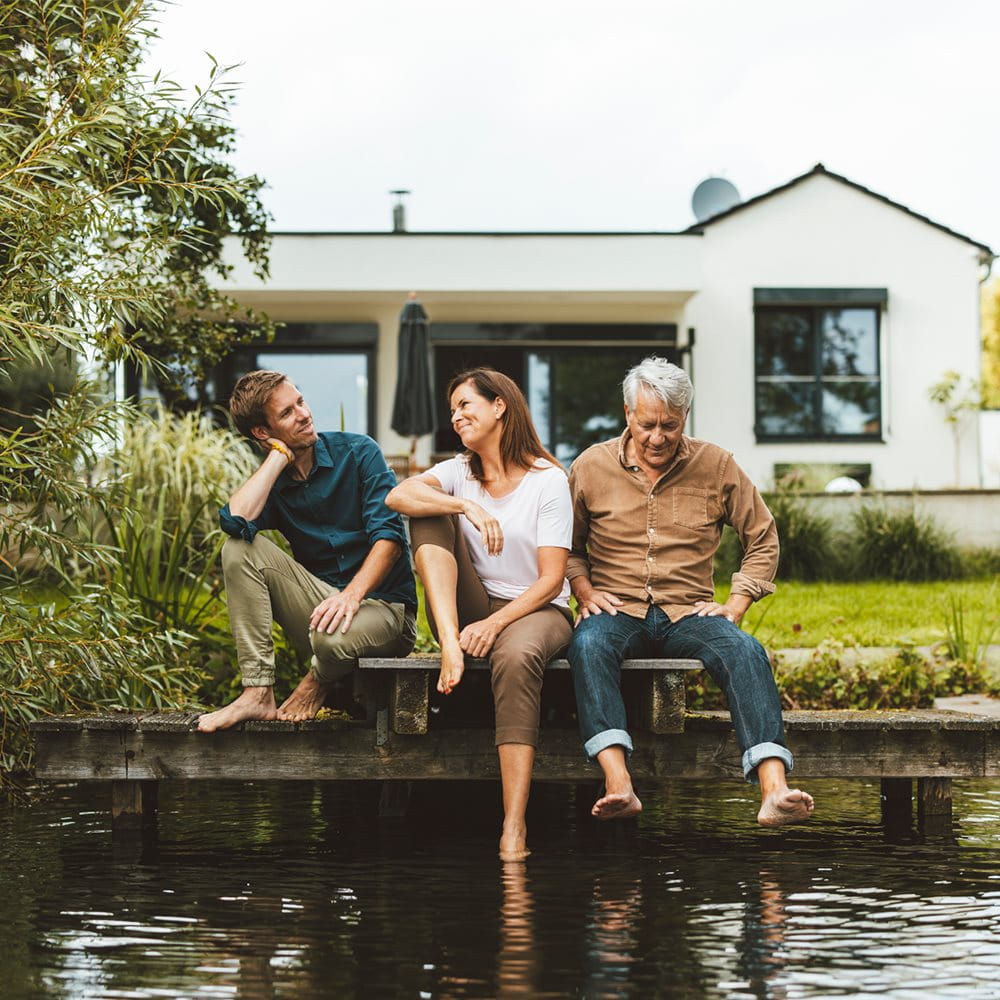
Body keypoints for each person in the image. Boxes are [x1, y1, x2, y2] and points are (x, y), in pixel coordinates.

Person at [566, 357, 814, 827]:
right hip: (616, 608)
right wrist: (583, 589)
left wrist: (737, 601)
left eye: (670, 425)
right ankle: (619, 782)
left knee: (744, 650)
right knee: (588, 644)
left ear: (685, 419)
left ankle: (774, 789)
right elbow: (567, 545)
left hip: (689, 611)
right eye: (647, 425)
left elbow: (763, 537)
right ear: (627, 414)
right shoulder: (590, 466)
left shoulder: (716, 464)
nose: (657, 437)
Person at [386, 368, 573, 861]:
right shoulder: (458, 472)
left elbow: (552, 579)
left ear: (500, 407)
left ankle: (514, 824)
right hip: (464, 607)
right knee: (427, 513)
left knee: (514, 659)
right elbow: (396, 495)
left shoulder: (548, 480)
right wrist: (465, 508)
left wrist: (494, 623)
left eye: (466, 405)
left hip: (537, 607)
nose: (457, 417)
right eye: (452, 411)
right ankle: (448, 641)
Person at [197, 370, 417, 732]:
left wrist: (351, 596)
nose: (304, 413)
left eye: (300, 401)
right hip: (323, 614)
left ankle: (317, 681)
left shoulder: (359, 452)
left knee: (331, 638)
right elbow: (235, 522)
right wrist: (277, 458)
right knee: (238, 549)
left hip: (385, 612)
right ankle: (257, 692)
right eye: (287, 413)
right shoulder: (276, 481)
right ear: (261, 432)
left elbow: (390, 540)